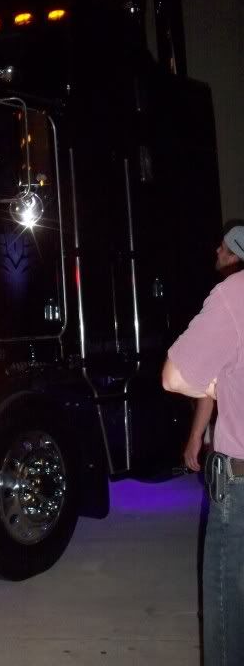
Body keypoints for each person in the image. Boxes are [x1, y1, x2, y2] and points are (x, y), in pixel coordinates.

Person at [162, 224, 244, 665]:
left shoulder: (232, 296)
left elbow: (177, 377)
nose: (217, 250)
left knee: (228, 616)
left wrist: (214, 389)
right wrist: (197, 434)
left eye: (225, 247)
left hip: (241, 482)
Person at [182, 221, 244, 471]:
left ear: (234, 257)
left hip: (237, 454)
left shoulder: (227, 301)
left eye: (223, 248)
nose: (217, 251)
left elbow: (204, 379)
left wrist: (195, 437)